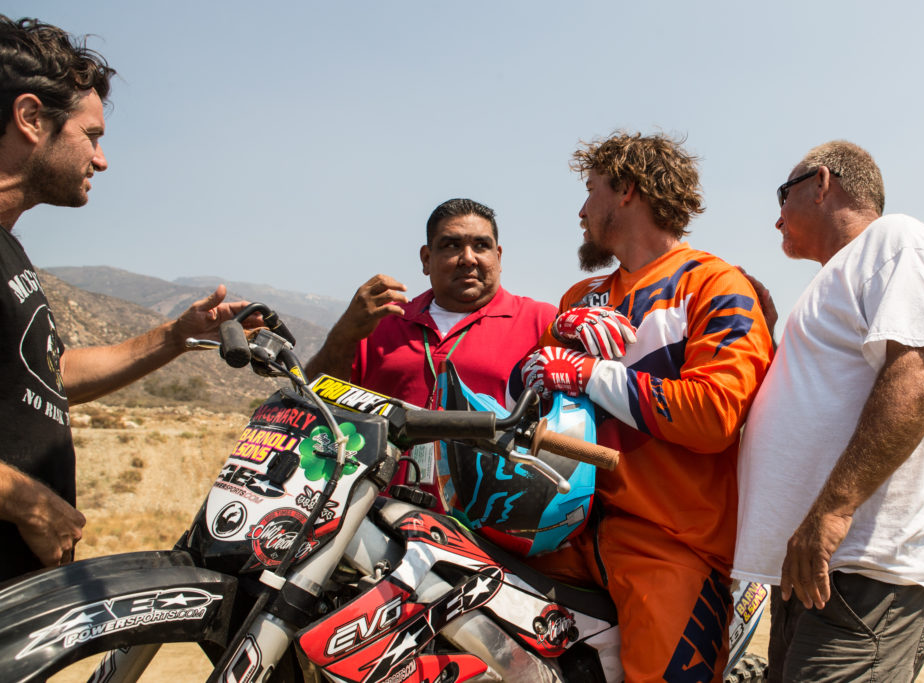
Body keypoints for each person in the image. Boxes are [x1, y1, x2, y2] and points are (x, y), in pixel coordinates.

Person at [0, 15, 256, 582]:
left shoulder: (9, 251)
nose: (101, 160)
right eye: (90, 136)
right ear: (31, 119)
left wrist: (175, 335)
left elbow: (49, 376)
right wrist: (24, 500)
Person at [515, 131, 774, 682]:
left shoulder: (716, 286)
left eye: (590, 191)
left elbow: (714, 416)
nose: (581, 211)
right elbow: (526, 395)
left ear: (626, 191)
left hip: (669, 541)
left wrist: (591, 371)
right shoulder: (578, 300)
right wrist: (556, 341)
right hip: (563, 526)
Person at [732, 140, 924, 682]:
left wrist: (831, 513)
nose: (776, 220)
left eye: (781, 198)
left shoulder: (898, 239)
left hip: (868, 570)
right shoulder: (839, 275)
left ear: (821, 182)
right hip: (817, 569)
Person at [305, 198, 556, 506]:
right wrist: (345, 331)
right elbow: (311, 400)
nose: (468, 258)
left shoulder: (541, 324)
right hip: (371, 516)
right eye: (451, 245)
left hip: (485, 525)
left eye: (481, 245)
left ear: (498, 256)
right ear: (426, 258)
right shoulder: (382, 322)